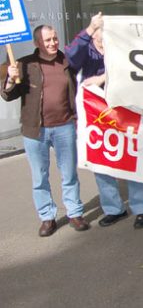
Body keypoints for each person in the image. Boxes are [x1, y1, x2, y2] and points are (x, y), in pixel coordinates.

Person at [65, 13, 143, 229]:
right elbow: (70, 58)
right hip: (97, 115)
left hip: (125, 111)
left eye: (105, 40)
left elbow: (131, 69)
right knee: (101, 160)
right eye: (97, 40)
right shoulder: (87, 48)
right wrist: (88, 31)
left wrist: (103, 78)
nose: (102, 44)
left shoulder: (120, 47)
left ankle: (142, 208)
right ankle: (113, 208)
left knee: (132, 157)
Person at [2, 25, 89, 237]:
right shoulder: (24, 64)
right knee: (39, 177)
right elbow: (8, 95)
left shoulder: (67, 62)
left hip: (64, 126)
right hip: (35, 130)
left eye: (55, 39)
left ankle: (74, 213)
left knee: (69, 173)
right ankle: (47, 218)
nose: (53, 43)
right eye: (47, 40)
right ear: (37, 43)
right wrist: (10, 79)